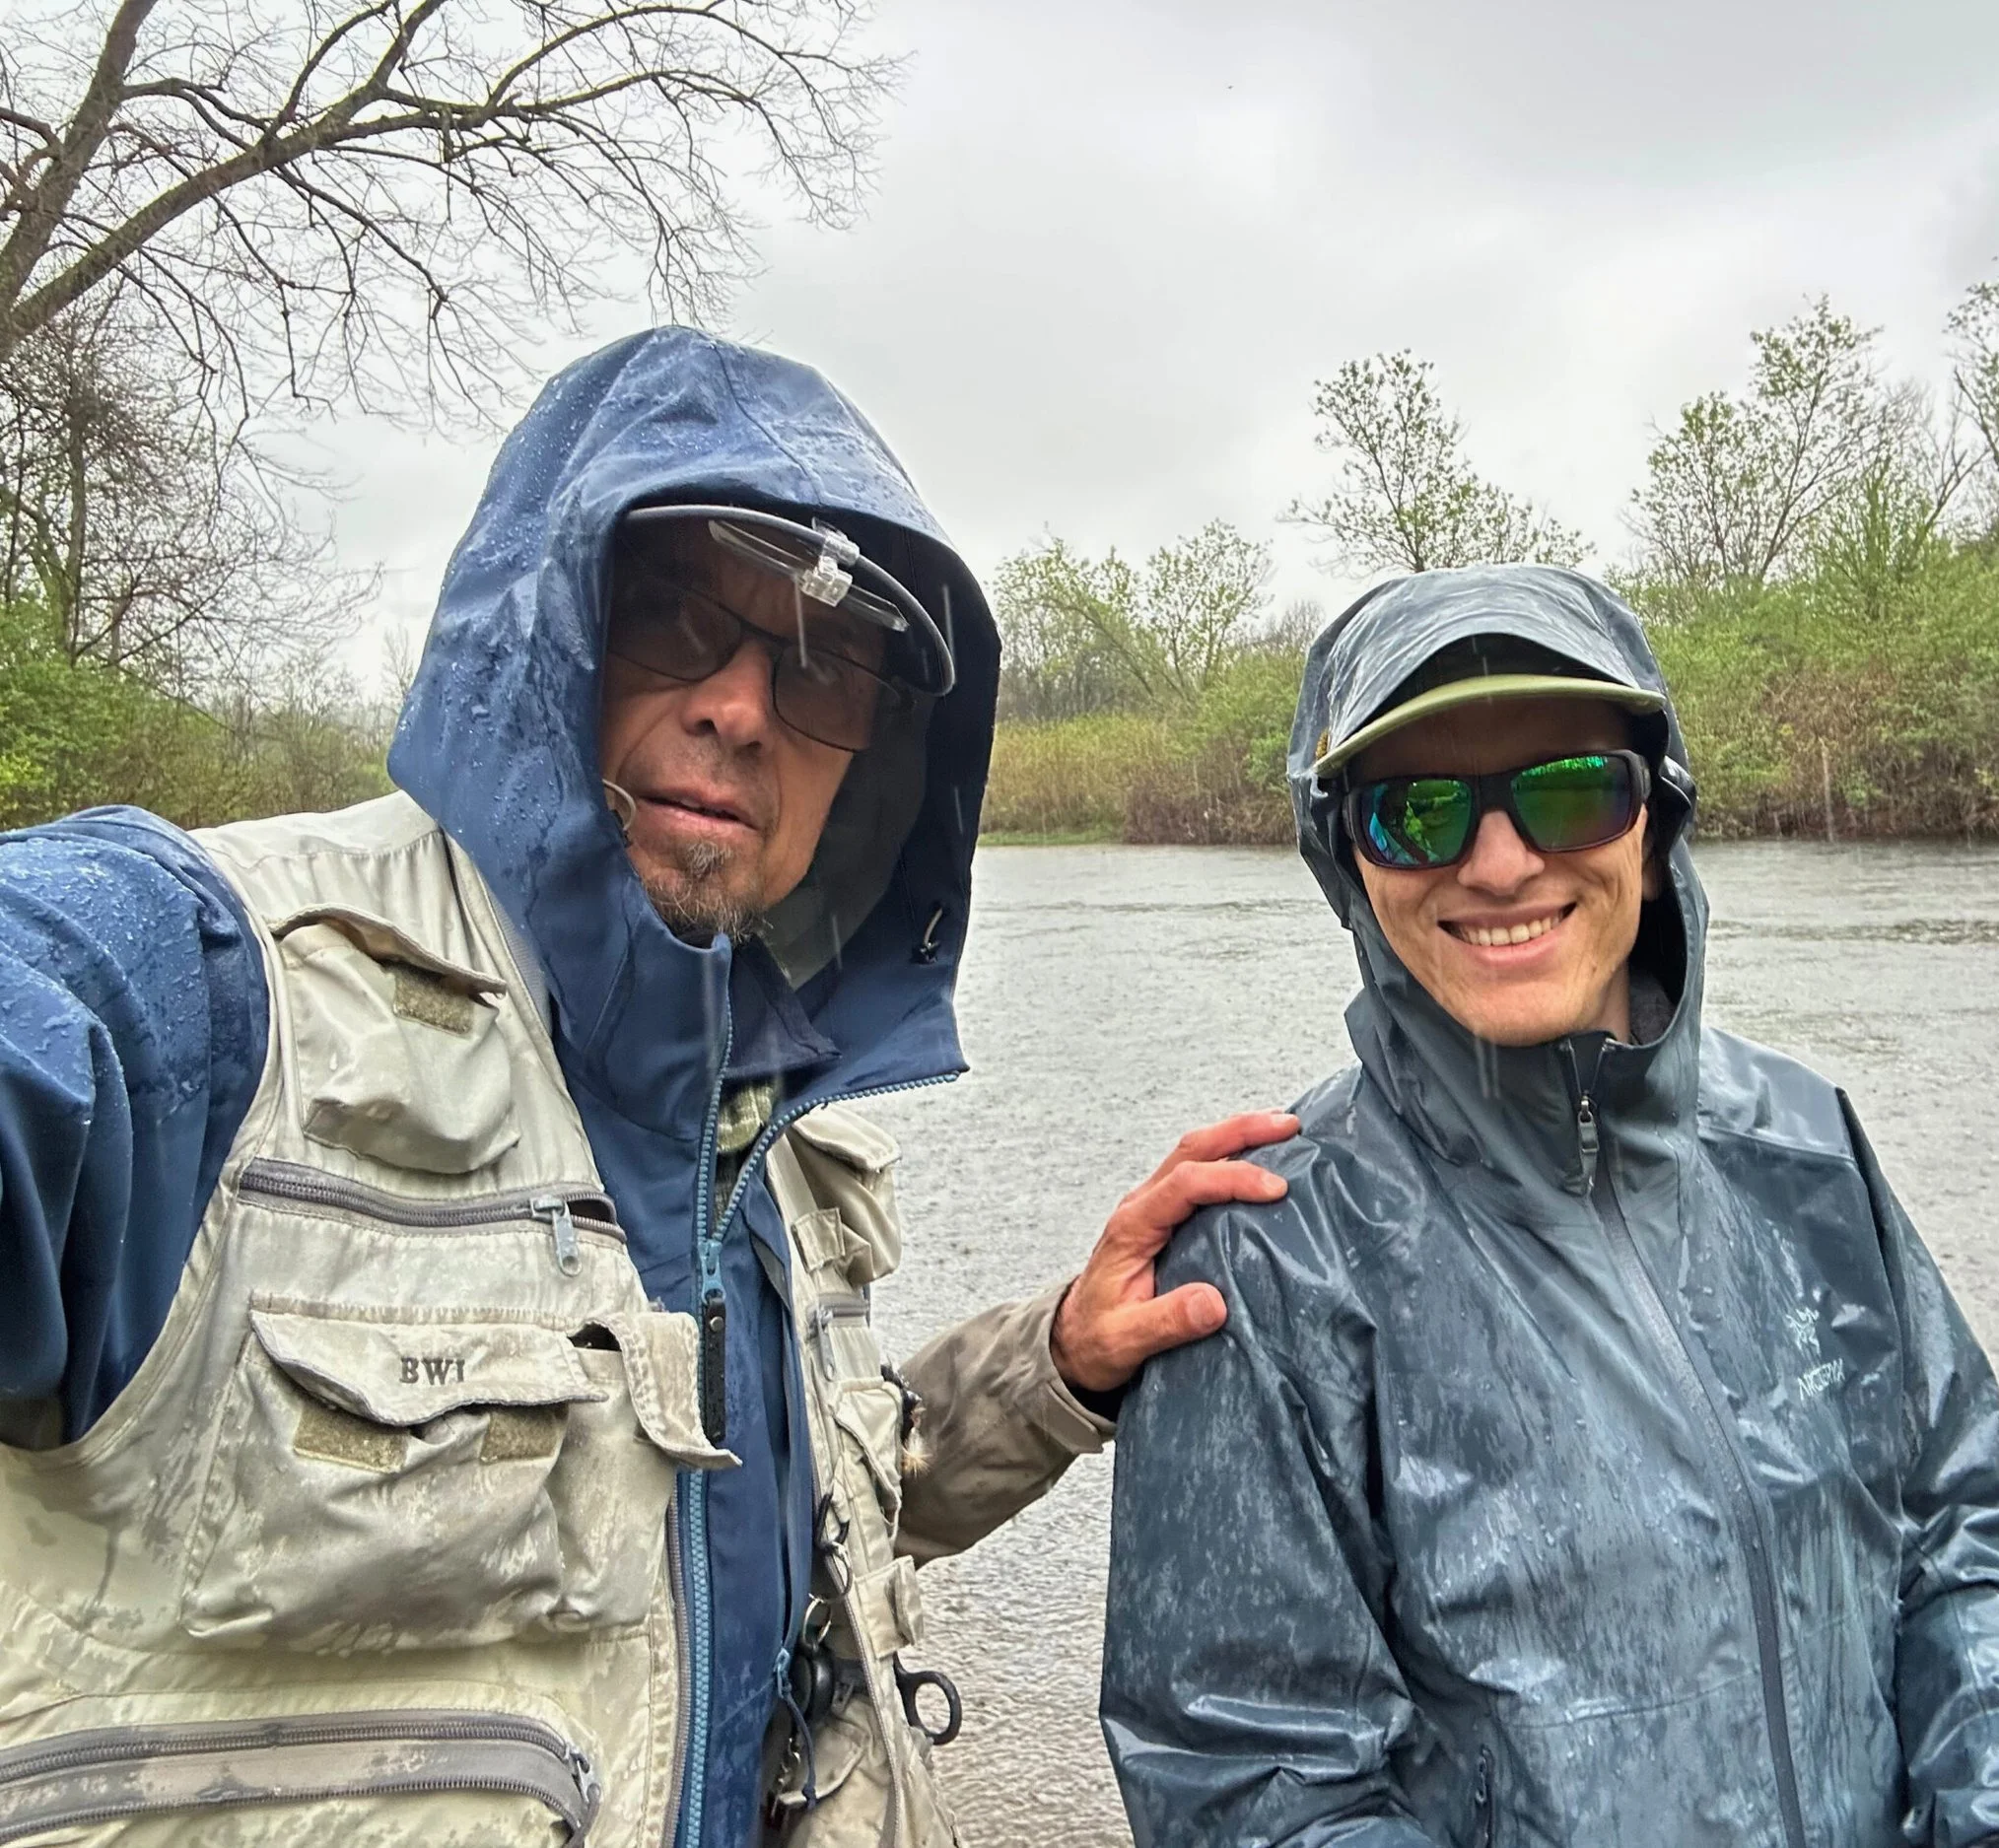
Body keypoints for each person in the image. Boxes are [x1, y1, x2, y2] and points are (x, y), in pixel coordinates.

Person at [0, 327, 1291, 1847]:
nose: (741, 708)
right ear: (541, 632)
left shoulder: (763, 1139)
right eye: (674, 615)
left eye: (819, 668)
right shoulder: (202, 979)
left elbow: (772, 1521)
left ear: (873, 760)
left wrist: (1059, 1359)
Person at [1101, 566, 1999, 1848]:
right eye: (1416, 811)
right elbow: (1251, 1783)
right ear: (1348, 859)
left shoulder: (1806, 1149)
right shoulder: (1267, 1260)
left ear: (1653, 821)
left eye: (1572, 790)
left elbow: (1961, 1534)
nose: (1501, 862)